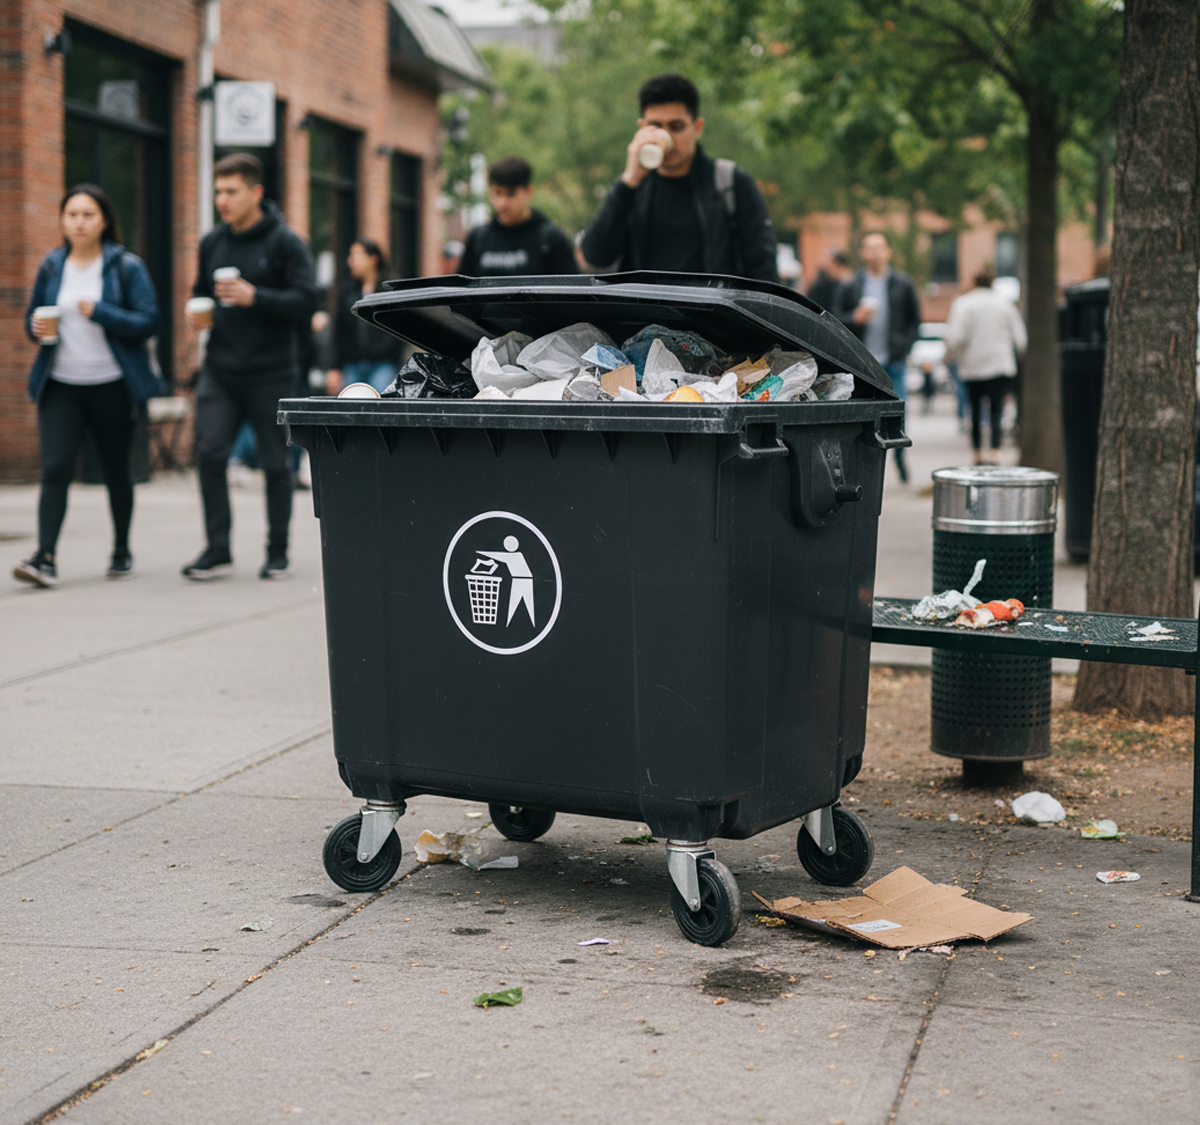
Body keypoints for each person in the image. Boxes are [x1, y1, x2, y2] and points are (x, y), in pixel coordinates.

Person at [14, 184, 160, 588]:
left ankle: (121, 551)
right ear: (62, 220)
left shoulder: (125, 267)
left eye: (88, 214)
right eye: (72, 214)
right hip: (60, 383)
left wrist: (102, 312)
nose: (78, 222)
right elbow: (32, 320)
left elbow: (148, 321)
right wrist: (36, 327)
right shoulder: (51, 266)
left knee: (115, 470)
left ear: (104, 221)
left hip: (111, 384)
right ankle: (44, 557)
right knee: (56, 466)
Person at [182, 153, 316, 581]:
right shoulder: (212, 242)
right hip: (221, 367)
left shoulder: (284, 242)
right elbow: (201, 292)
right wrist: (197, 313)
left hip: (270, 370)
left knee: (275, 464)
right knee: (209, 453)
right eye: (218, 191)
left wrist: (254, 295)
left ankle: (277, 551)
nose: (222, 200)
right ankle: (217, 548)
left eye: (231, 191)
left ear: (256, 192)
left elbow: (305, 302)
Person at [578, 73, 779, 283]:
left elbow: (763, 273)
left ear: (697, 127)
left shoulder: (730, 183)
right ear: (641, 127)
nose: (667, 137)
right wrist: (628, 181)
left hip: (709, 314)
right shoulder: (632, 188)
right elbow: (595, 258)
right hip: (643, 314)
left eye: (676, 127)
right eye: (655, 126)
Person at [832, 231, 921, 481]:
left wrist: (905, 347)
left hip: (894, 360)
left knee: (899, 412)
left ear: (888, 252)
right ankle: (865, 463)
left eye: (879, 247)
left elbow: (915, 321)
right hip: (863, 363)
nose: (874, 252)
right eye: (869, 247)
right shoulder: (851, 285)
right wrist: (854, 318)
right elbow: (835, 318)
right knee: (863, 414)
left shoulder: (902, 283)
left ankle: (901, 458)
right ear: (862, 253)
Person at [944, 267, 1027, 464]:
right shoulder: (1005, 304)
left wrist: (952, 353)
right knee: (997, 409)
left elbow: (956, 337)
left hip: (973, 366)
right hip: (1000, 364)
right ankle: (996, 450)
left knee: (974, 409)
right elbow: (1021, 339)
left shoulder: (963, 304)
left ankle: (977, 451)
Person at [459, 157, 578, 278]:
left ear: (528, 192)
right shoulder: (478, 239)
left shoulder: (550, 241)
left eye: (511, 194)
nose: (503, 203)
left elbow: (571, 291)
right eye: (497, 193)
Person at [325, 239, 405, 394]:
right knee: (351, 410)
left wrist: (391, 353)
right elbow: (338, 330)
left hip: (384, 364)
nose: (350, 261)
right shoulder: (347, 291)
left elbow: (401, 327)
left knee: (381, 410)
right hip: (352, 364)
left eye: (356, 256)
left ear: (372, 259)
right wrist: (334, 367)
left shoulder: (391, 290)